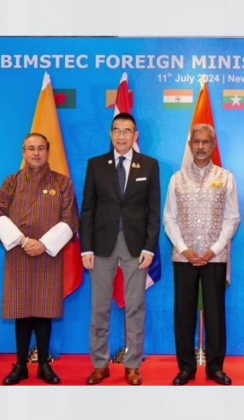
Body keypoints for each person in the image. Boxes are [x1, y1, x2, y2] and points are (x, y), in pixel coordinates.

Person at [0, 133, 80, 385]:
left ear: (48, 152)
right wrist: (22, 241)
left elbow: (70, 219)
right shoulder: (11, 182)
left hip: (48, 255)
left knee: (44, 311)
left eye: (41, 148)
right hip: (19, 253)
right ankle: (20, 365)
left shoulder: (62, 183)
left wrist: (44, 244)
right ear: (24, 152)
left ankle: (44, 365)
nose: (36, 153)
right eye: (31, 148)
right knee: (21, 311)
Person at [80, 112, 161, 386]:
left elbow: (154, 211)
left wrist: (150, 247)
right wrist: (86, 248)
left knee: (136, 307)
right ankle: (100, 365)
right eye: (117, 130)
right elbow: (88, 209)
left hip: (136, 247)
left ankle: (133, 366)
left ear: (135, 135)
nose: (122, 136)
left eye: (127, 131)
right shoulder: (96, 165)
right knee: (100, 307)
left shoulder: (149, 165)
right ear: (111, 134)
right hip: (101, 246)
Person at [164, 124, 240, 386]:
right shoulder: (177, 179)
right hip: (183, 256)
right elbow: (169, 218)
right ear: (190, 145)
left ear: (213, 145)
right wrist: (184, 249)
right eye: (196, 142)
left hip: (214, 257)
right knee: (184, 313)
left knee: (215, 313)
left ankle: (215, 368)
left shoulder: (226, 177)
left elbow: (232, 218)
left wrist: (213, 249)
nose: (200, 146)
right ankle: (186, 368)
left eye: (206, 142)